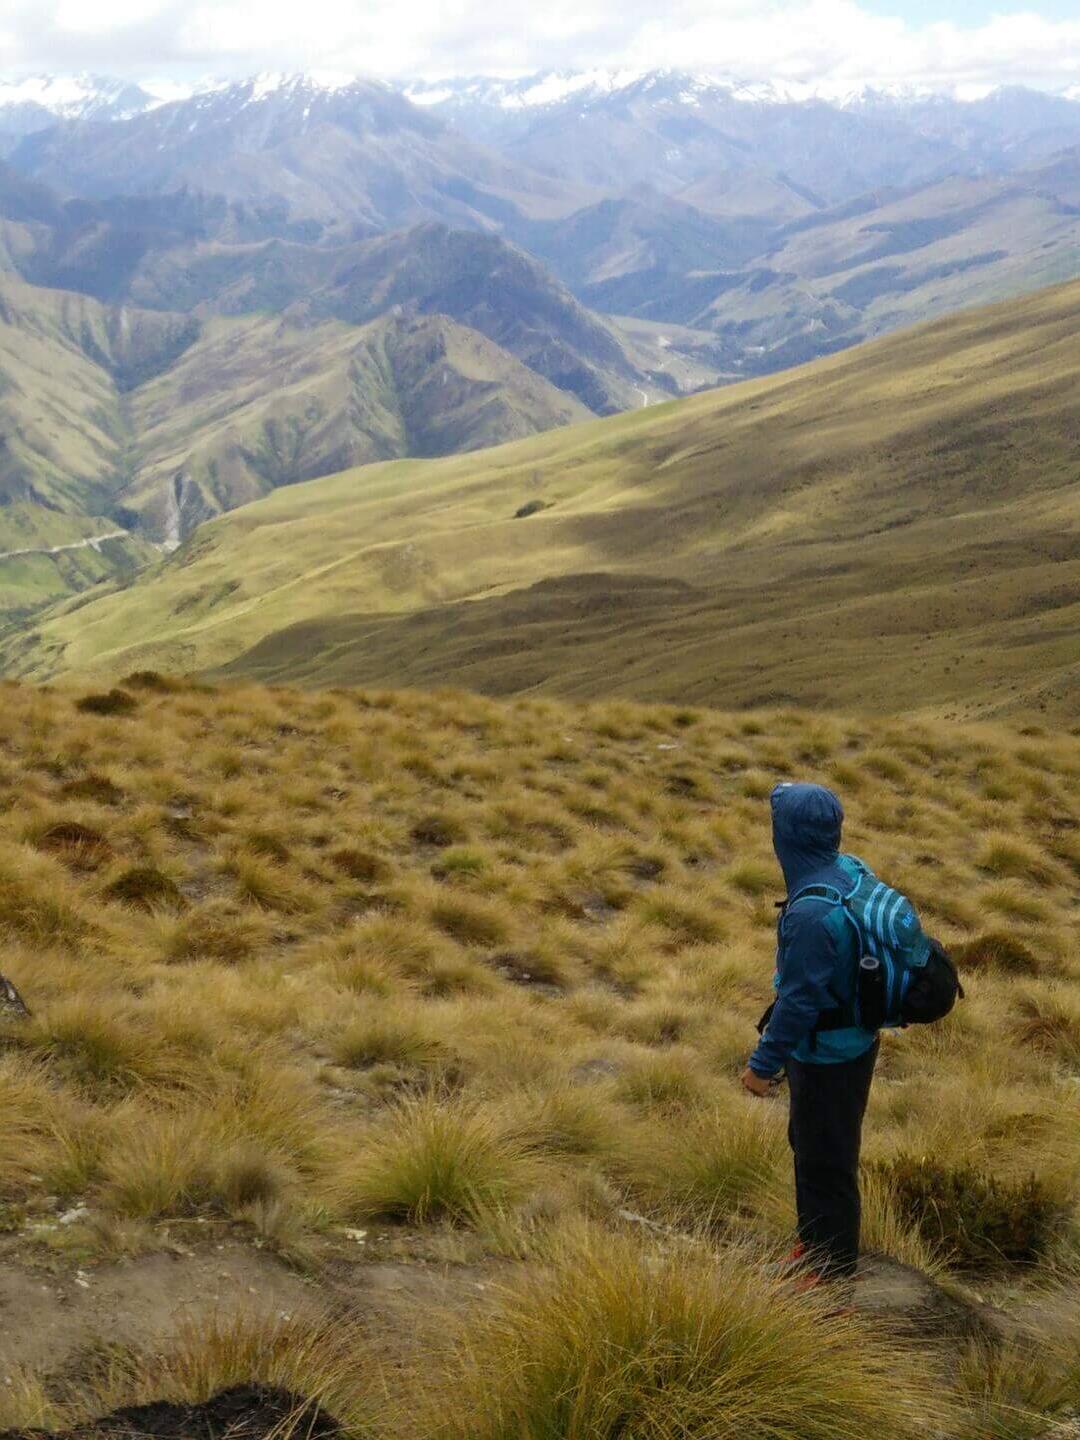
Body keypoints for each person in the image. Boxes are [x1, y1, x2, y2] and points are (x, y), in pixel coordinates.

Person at [740, 782, 878, 1295]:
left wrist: (760, 1065)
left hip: (826, 1056)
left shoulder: (810, 913)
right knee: (814, 1146)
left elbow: (799, 1002)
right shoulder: (849, 870)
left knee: (826, 1162)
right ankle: (815, 1248)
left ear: (787, 838)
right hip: (848, 1043)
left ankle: (830, 1282)